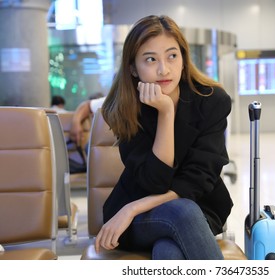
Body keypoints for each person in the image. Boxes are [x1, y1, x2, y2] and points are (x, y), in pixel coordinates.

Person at [95, 15, 233, 260]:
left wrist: (132, 208)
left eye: (172, 56)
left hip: (199, 207)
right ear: (133, 68)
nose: (164, 69)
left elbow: (197, 180)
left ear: (183, 59)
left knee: (168, 252)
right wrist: (165, 113)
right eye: (150, 59)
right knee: (182, 213)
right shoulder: (125, 109)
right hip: (141, 219)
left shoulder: (212, 101)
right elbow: (154, 182)